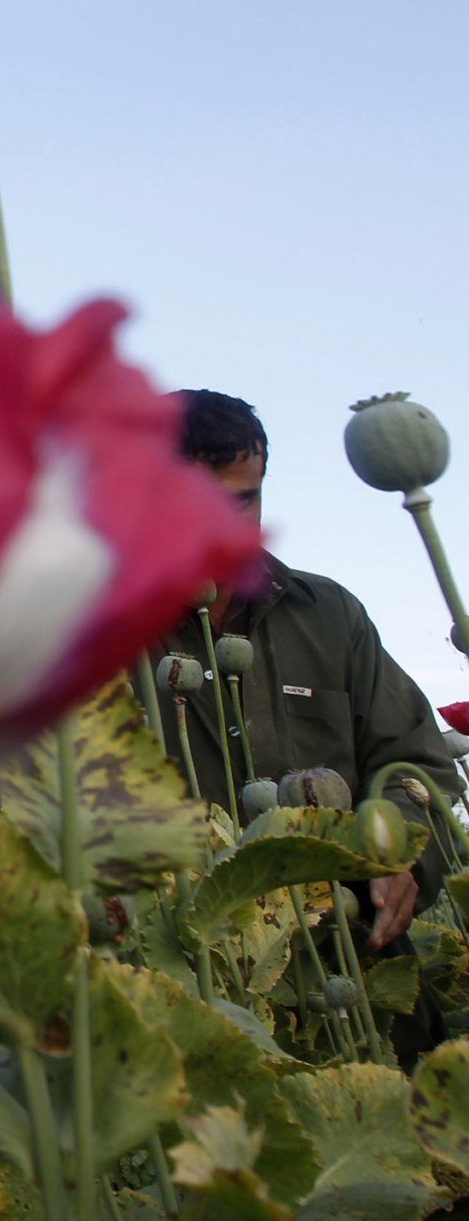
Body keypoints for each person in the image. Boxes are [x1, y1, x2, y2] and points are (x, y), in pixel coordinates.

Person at [154, 389, 459, 956]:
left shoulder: (329, 616)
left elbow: (417, 766)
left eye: (241, 502)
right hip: (176, 969)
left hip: (347, 962)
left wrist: (399, 853)